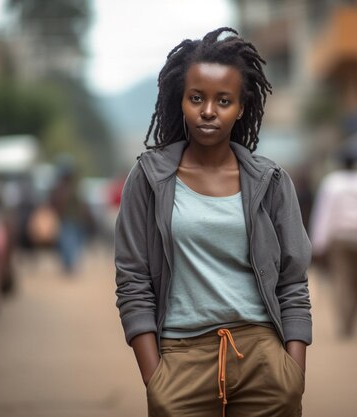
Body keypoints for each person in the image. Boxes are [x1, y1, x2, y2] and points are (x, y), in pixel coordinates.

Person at [114, 28, 312, 417]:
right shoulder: (149, 179)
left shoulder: (269, 181)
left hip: (262, 356)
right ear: (181, 101)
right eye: (197, 98)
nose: (208, 111)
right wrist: (156, 383)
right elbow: (132, 281)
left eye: (223, 100)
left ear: (241, 107)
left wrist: (292, 376)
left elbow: (293, 281)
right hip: (180, 357)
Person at [309, 155, 357, 338]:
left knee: (342, 280)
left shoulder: (332, 183)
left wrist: (318, 243)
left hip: (339, 238)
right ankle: (351, 319)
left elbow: (324, 213)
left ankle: (345, 321)